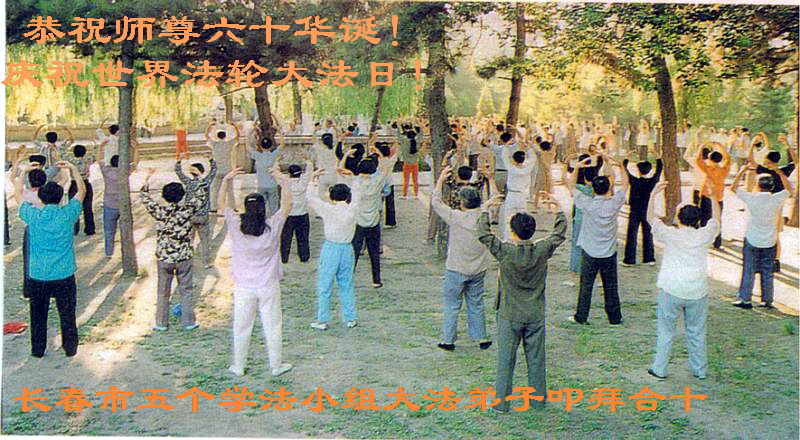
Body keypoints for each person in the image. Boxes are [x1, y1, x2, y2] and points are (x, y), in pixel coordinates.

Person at [478, 194, 566, 412]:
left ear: (513, 231)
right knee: (536, 359)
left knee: (505, 360)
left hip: (509, 313)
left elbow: (484, 234)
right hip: (535, 313)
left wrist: (486, 209)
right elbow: (559, 234)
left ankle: (501, 403)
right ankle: (537, 401)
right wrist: (558, 210)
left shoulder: (505, 251)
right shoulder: (542, 250)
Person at [219, 167, 294, 378]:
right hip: (268, 285)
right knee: (273, 326)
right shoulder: (273, 225)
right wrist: (283, 181)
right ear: (264, 209)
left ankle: (239, 365)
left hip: (244, 286)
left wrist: (226, 180)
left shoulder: (236, 224)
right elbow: (287, 205)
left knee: (241, 327)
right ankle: (276, 365)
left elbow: (221, 204)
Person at [646, 182, 719, 380]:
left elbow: (651, 218)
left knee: (666, 331)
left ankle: (659, 368)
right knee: (696, 332)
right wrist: (713, 196)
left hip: (671, 288)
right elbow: (716, 221)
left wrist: (653, 194)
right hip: (697, 291)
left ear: (678, 219)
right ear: (698, 221)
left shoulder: (671, 234)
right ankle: (700, 370)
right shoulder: (704, 235)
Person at [15, 160, 85, 358]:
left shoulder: (33, 216)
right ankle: (70, 348)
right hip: (64, 273)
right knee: (67, 314)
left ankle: (38, 350)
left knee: (38, 315)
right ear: (61, 197)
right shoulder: (68, 214)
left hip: (39, 274)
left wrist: (24, 172)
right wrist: (73, 169)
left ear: (40, 198)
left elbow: (17, 193)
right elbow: (81, 191)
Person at [431, 166, 492, 351]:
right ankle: (481, 337)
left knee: (451, 304)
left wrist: (441, 179)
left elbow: (436, 202)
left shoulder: (455, 217)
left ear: (463, 202)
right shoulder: (483, 217)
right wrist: (490, 180)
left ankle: (448, 340)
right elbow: (495, 201)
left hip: (456, 268)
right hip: (478, 268)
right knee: (476, 303)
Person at [566, 154, 629, 325]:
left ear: (593, 189)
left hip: (589, 251)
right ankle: (615, 318)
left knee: (585, 286)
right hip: (608, 253)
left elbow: (571, 185)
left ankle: (581, 317)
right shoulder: (614, 203)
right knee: (611, 286)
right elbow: (625, 185)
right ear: (609, 189)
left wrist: (577, 167)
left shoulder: (587, 203)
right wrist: (621, 166)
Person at [140, 168, 204, 331]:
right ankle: (188, 322)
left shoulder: (160, 211)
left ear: (164, 196)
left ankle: (161, 323)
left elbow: (145, 198)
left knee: (162, 291)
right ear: (182, 195)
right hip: (184, 256)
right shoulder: (187, 210)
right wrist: (198, 177)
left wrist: (147, 180)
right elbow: (201, 196)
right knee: (186, 290)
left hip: (164, 257)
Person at [730, 166, 793, 309]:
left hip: (752, 238)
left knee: (749, 270)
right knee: (767, 271)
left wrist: (742, 171)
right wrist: (780, 173)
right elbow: (789, 190)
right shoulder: (776, 199)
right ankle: (767, 299)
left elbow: (733, 188)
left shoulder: (752, 198)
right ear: (772, 186)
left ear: (757, 186)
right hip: (770, 240)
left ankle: (745, 299)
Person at [307, 173, 360, 330]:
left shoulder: (328, 209)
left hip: (331, 248)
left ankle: (323, 319)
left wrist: (313, 180)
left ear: (331, 197)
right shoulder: (352, 208)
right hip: (347, 248)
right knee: (347, 284)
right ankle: (350, 318)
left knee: (325, 285)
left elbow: (311, 198)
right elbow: (358, 193)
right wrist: (353, 178)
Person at [346, 151, 396, 288]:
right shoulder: (378, 182)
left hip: (359, 222)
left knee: (354, 252)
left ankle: (348, 278)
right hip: (373, 221)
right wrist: (380, 154)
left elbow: (343, 170)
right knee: (374, 254)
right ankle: (376, 280)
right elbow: (386, 168)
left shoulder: (356, 183)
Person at [749, 148, 795, 272]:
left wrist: (752, 145)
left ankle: (764, 261)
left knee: (763, 234)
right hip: (778, 207)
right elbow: (796, 162)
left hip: (766, 207)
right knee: (775, 236)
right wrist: (788, 146)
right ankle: (776, 261)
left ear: (768, 161)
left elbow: (751, 160)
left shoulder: (766, 171)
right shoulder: (784, 171)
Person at [175, 154, 218, 268]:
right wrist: (211, 160)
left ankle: (187, 261)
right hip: (203, 215)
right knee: (205, 241)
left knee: (189, 240)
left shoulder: (189, 182)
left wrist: (179, 161)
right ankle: (206, 262)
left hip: (190, 215)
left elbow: (179, 172)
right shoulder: (206, 182)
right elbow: (214, 171)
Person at [621, 158, 663, 267]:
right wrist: (658, 159)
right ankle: (649, 258)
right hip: (647, 212)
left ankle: (629, 260)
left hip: (634, 211)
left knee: (631, 235)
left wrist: (626, 160)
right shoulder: (652, 182)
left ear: (638, 170)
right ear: (649, 170)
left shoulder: (634, 181)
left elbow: (625, 170)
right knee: (648, 234)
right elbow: (659, 171)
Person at [695, 142, 730, 249]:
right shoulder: (724, 170)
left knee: (704, 219)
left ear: (709, 159)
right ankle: (717, 242)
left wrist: (702, 145)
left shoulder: (707, 169)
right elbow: (728, 159)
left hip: (706, 197)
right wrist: (721, 146)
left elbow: (698, 159)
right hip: (718, 198)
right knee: (717, 220)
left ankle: (703, 241)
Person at [279, 161, 312, 264]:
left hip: (288, 215)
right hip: (302, 214)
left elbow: (276, 173)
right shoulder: (304, 182)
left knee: (285, 238)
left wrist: (276, 161)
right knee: (303, 238)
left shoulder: (285, 183)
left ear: (289, 174)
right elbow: (310, 170)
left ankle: (284, 258)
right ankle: (304, 257)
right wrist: (307, 161)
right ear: (300, 173)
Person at [501, 148, 536, 242]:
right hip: (522, 196)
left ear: (513, 159)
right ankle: (521, 238)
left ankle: (507, 239)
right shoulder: (527, 169)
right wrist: (528, 148)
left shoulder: (511, 168)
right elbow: (533, 158)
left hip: (512, 194)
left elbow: (504, 157)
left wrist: (507, 146)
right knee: (522, 219)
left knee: (508, 218)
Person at [61, 144, 96, 236]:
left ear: (74, 153)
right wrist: (94, 144)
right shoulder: (88, 160)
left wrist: (66, 144)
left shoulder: (71, 161)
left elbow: (62, 153)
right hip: (85, 183)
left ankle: (74, 229)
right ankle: (90, 229)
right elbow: (95, 154)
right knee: (88, 208)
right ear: (84, 153)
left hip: (74, 184)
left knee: (73, 207)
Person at [206, 121, 240, 212]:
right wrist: (235, 126)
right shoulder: (229, 143)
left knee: (215, 189)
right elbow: (237, 137)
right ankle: (232, 207)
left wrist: (209, 126)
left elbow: (206, 136)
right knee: (230, 190)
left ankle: (213, 207)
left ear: (217, 136)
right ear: (225, 136)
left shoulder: (214, 144)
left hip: (217, 170)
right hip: (228, 169)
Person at [249, 136, 283, 216]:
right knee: (274, 207)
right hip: (272, 185)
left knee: (261, 207)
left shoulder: (257, 155)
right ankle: (275, 221)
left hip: (261, 185)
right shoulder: (273, 155)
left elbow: (248, 147)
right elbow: (282, 145)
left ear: (261, 146)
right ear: (271, 146)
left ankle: (261, 221)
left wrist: (249, 133)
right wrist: (280, 133)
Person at [395, 122, 422, 199]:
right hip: (415, 163)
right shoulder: (416, 143)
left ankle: (405, 194)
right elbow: (421, 136)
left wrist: (398, 126)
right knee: (415, 180)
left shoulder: (404, 142)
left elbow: (398, 136)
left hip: (406, 164)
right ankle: (416, 194)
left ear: (406, 136)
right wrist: (420, 126)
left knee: (406, 180)